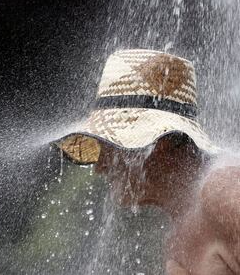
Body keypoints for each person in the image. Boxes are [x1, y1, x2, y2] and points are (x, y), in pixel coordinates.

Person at [55, 49, 240, 274]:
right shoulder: (178, 236)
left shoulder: (223, 191)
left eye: (110, 146)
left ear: (158, 143)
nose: (99, 167)